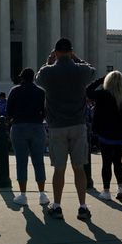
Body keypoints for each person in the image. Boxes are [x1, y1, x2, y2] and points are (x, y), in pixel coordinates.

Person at [35, 38, 96, 220]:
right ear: (71, 51)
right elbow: (91, 69)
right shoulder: (81, 70)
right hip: (78, 125)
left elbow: (38, 78)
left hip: (57, 126)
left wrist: (49, 62)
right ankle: (83, 206)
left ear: (55, 52)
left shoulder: (48, 72)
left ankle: (58, 206)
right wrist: (75, 58)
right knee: (79, 168)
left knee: (59, 169)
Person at [86, 71, 122, 201]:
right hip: (121, 134)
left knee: (106, 162)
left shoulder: (103, 95)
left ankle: (106, 190)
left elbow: (87, 91)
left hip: (105, 133)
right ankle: (120, 189)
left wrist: (100, 79)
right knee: (118, 161)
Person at [6, 68, 49, 206]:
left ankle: (23, 195)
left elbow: (9, 111)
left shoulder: (15, 91)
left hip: (19, 126)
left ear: (22, 78)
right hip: (37, 126)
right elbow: (46, 111)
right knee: (39, 161)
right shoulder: (41, 92)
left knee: (21, 162)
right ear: (34, 78)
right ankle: (42, 194)